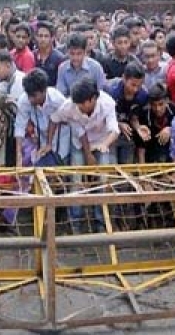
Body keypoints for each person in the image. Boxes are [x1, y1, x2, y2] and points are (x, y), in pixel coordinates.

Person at [48, 77, 120, 234]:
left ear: (93, 99)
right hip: (79, 145)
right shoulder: (70, 105)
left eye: (82, 104)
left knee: (104, 180)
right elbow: (54, 120)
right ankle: (76, 223)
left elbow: (114, 130)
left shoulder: (107, 103)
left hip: (101, 142)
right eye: (77, 104)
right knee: (76, 181)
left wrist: (104, 145)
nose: (79, 107)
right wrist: (48, 143)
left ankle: (102, 223)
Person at [15, 68, 71, 167]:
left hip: (61, 139)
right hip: (42, 140)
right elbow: (20, 126)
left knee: (61, 171)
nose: (30, 99)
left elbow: (69, 120)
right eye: (29, 95)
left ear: (44, 90)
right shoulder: (24, 100)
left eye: (34, 96)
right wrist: (19, 155)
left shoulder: (57, 99)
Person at [136, 83, 175, 164]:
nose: (158, 109)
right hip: (150, 155)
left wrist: (170, 129)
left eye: (161, 104)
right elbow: (141, 148)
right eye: (154, 105)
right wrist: (143, 172)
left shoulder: (174, 111)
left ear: (167, 101)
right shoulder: (144, 115)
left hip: (170, 154)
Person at [56, 32, 106, 97]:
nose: (75, 58)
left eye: (79, 54)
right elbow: (61, 95)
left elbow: (101, 93)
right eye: (72, 53)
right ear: (67, 52)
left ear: (85, 52)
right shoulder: (62, 68)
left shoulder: (96, 67)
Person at [33, 21, 66, 87]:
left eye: (46, 36)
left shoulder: (59, 58)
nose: (43, 39)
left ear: (52, 38)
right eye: (40, 36)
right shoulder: (32, 55)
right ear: (36, 37)